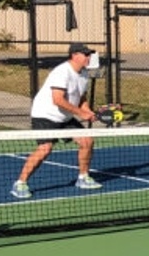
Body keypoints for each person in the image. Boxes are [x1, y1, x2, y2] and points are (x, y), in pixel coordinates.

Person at [10, 43, 102, 199]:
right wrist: (80, 113)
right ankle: (20, 183)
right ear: (74, 55)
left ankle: (83, 178)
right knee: (45, 149)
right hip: (45, 114)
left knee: (86, 141)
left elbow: (81, 97)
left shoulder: (84, 74)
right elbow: (57, 100)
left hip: (65, 116)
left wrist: (87, 110)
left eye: (89, 54)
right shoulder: (62, 72)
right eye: (85, 54)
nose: (88, 57)